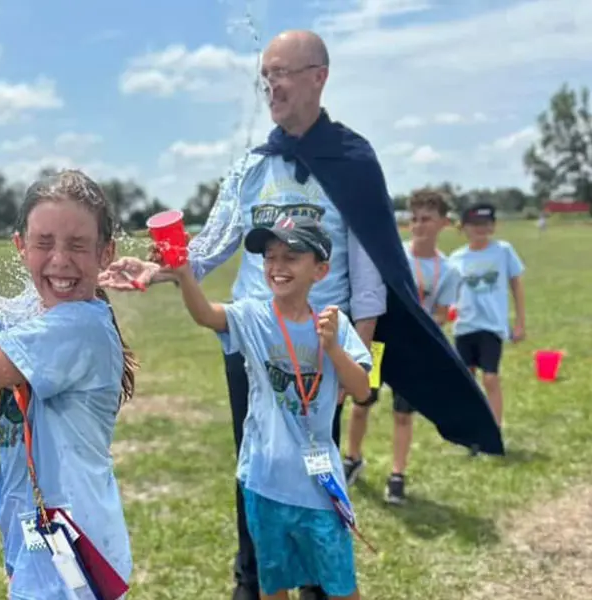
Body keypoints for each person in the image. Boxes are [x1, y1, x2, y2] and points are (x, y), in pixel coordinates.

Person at [100, 29, 385, 600]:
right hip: (252, 342)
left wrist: (357, 358)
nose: (271, 86)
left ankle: (320, 587)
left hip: (321, 346)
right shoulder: (253, 168)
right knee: (257, 464)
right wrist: (161, 269)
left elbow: (371, 272)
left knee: (315, 468)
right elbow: (210, 246)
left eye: (282, 73)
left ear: (318, 77)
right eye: (265, 76)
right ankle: (252, 582)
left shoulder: (353, 163)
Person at [0, 170, 136, 600]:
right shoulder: (27, 315)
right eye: (44, 242)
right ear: (21, 246)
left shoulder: (79, 326)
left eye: (77, 244)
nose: (60, 259)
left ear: (105, 253)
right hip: (37, 541)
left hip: (77, 551)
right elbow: (4, 432)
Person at [165, 214, 370, 600]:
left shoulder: (335, 324)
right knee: (273, 583)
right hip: (264, 480)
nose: (277, 266)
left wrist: (332, 349)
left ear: (320, 270)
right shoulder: (252, 316)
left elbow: (361, 390)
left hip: (318, 487)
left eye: (291, 257)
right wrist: (183, 275)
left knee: (341, 584)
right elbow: (205, 315)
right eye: (270, 257)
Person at [341, 189, 460, 504]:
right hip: (379, 344)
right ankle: (352, 458)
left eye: (427, 219)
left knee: (403, 415)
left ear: (443, 223)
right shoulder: (395, 255)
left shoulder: (449, 270)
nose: (419, 225)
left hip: (412, 352)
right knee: (361, 403)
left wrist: (424, 320)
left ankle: (397, 475)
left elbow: (441, 314)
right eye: (414, 219)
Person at [450, 202, 526, 430]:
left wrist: (520, 323)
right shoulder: (456, 258)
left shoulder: (503, 251)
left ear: (493, 226)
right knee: (467, 380)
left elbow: (516, 285)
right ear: (463, 227)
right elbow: (450, 292)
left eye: (486, 223)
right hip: (465, 326)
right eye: (474, 224)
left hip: (492, 325)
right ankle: (472, 427)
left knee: (490, 378)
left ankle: (495, 429)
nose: (480, 229)